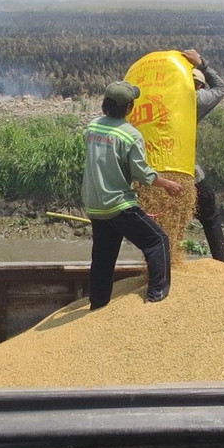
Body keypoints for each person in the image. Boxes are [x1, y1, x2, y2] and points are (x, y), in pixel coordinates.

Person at [84, 80, 184, 309]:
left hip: (95, 204)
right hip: (119, 204)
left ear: (104, 105)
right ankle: (156, 294)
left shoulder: (92, 128)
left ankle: (97, 304)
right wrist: (167, 184)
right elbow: (141, 173)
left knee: (103, 258)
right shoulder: (130, 135)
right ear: (129, 108)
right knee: (157, 240)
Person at [179, 48, 224, 262]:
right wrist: (202, 64)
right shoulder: (195, 100)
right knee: (210, 217)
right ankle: (222, 262)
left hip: (157, 174)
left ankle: (168, 264)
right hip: (187, 171)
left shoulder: (159, 99)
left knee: (167, 220)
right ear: (199, 86)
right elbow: (221, 88)